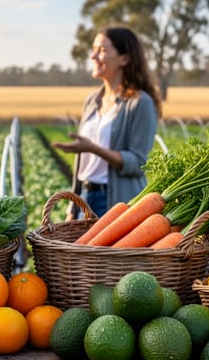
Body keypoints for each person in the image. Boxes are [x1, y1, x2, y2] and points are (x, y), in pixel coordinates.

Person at [52, 26, 162, 219]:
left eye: (102, 50)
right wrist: (73, 208)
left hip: (116, 202)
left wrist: (94, 149)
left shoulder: (140, 103)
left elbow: (137, 163)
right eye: (94, 49)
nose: (93, 56)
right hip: (84, 199)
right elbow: (84, 164)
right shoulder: (92, 101)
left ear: (125, 59)